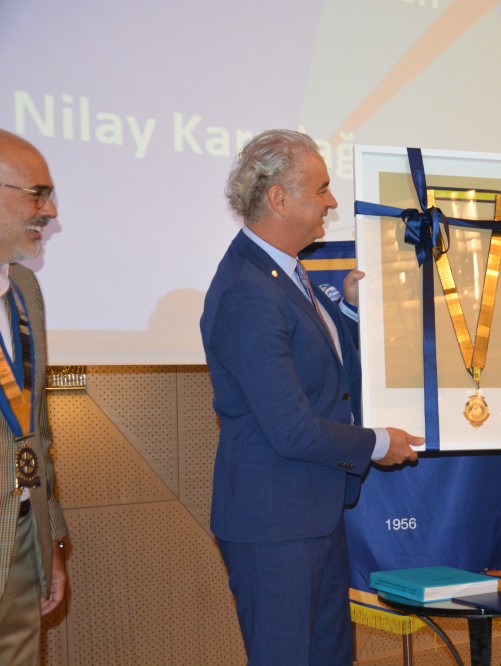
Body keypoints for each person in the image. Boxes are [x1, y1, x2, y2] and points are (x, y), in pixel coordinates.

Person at [201, 129, 422, 665]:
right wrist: (377, 443)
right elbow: (292, 429)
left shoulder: (281, 273)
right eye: (321, 189)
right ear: (279, 198)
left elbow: (323, 370)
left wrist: (347, 310)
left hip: (308, 516)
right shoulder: (248, 291)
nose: (332, 201)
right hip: (275, 528)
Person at [0, 128, 69, 664]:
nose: (51, 211)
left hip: (14, 548)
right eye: (37, 194)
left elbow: (33, 425)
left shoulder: (24, 289)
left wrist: (48, 539)